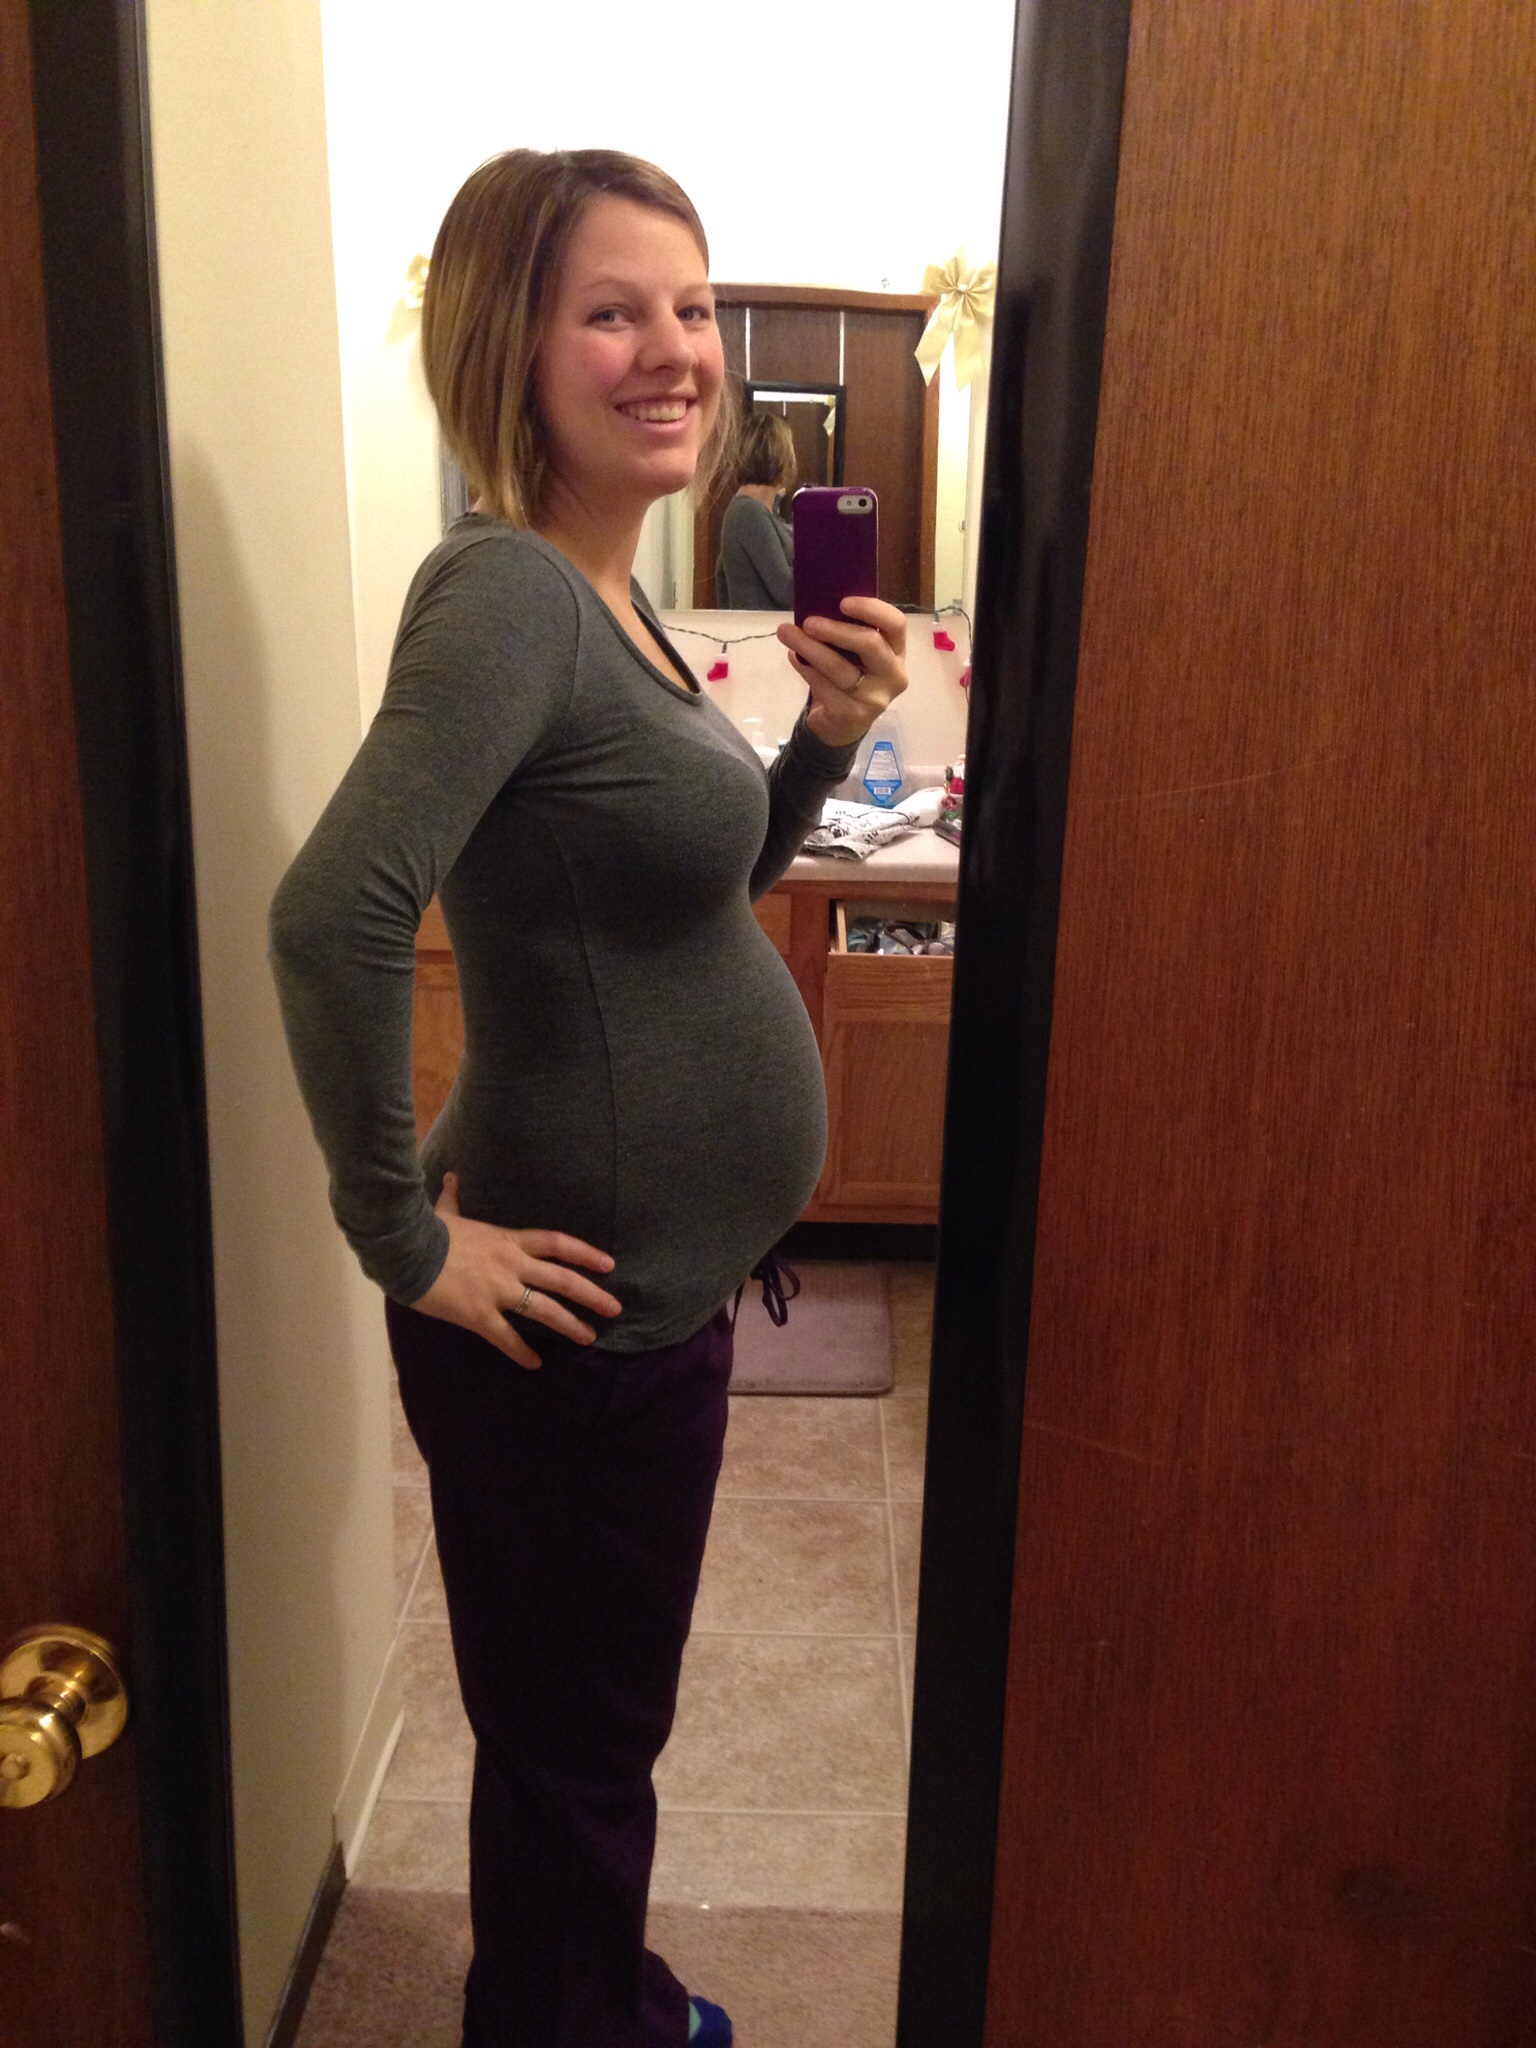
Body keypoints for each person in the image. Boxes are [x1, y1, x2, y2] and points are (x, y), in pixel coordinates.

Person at [268, 147, 908, 2048]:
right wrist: (402, 1237)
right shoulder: (508, 596)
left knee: (584, 1727)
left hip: (642, 1310)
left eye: (691, 307)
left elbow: (687, 896)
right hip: (565, 1326)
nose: (675, 350)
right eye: (611, 312)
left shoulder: (609, 600)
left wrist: (824, 743)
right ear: (511, 345)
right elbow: (335, 909)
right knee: (576, 1741)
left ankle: (585, 1996)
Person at [714, 408, 796, 608]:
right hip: (763, 627)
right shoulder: (750, 513)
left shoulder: (752, 510)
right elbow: (787, 592)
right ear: (779, 457)